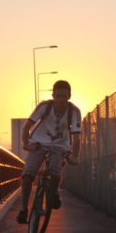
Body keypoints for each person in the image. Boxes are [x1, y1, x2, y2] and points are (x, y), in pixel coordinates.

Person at [16, 80, 81, 224]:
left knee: (55, 170)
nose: (60, 100)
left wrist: (75, 156)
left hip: (60, 145)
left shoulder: (74, 112)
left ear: (69, 96)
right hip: (38, 143)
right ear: (53, 95)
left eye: (64, 96)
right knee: (27, 175)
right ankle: (23, 210)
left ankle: (54, 192)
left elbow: (77, 138)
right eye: (57, 96)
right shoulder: (44, 107)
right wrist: (26, 144)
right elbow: (26, 127)